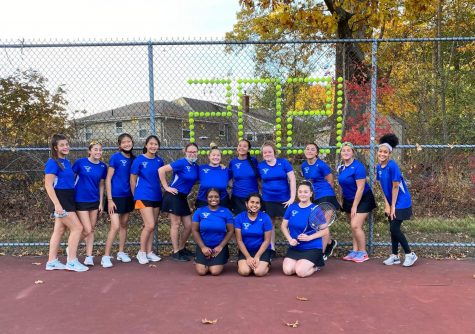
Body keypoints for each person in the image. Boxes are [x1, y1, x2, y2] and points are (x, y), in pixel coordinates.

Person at [44, 134, 88, 272]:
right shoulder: (52, 162)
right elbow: (48, 185)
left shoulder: (67, 162)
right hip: (61, 199)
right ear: (56, 147)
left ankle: (51, 261)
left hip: (69, 197)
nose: (65, 147)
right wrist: (57, 204)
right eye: (62, 145)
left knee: (59, 230)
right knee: (78, 228)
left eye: (67, 144)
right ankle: (72, 261)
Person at [377, 134, 418, 267]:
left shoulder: (393, 166)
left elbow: (395, 187)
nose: (382, 154)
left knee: (394, 228)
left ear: (389, 154)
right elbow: (382, 187)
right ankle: (394, 256)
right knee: (392, 228)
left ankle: (410, 254)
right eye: (380, 151)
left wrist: (393, 206)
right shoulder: (378, 167)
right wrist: (386, 205)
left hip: (402, 201)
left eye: (385, 152)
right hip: (391, 202)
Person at [159, 143, 199, 262]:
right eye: (190, 152)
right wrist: (166, 187)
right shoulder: (181, 162)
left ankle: (181, 248)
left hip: (182, 197)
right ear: (185, 152)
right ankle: (176, 251)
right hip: (173, 195)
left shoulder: (195, 166)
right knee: (176, 224)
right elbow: (161, 170)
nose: (192, 154)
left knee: (188, 225)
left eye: (194, 152)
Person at [337, 142, 376, 263]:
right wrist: (340, 198)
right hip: (348, 199)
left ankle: (363, 253)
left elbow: (360, 188)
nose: (346, 152)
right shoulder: (340, 167)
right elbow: (340, 184)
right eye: (343, 150)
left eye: (348, 150)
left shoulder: (358, 167)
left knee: (355, 225)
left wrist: (354, 206)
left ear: (353, 152)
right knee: (354, 226)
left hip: (363, 198)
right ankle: (355, 251)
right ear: (341, 153)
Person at [281, 182, 328, 277]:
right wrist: (290, 239)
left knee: (300, 272)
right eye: (300, 192)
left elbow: (325, 231)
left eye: (306, 192)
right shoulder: (292, 207)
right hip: (295, 247)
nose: (302, 194)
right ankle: (302, 263)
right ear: (297, 193)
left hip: (312, 247)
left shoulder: (316, 209)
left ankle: (316, 266)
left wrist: (309, 237)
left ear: (311, 194)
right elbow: (283, 226)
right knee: (288, 270)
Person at [101, 133, 135, 268]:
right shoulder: (115, 157)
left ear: (132, 143)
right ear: (120, 145)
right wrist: (109, 199)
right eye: (124, 142)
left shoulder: (134, 159)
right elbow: (108, 179)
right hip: (114, 197)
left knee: (124, 225)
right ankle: (106, 256)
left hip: (128, 197)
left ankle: (121, 252)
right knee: (115, 226)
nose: (127, 144)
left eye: (129, 141)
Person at [301, 143, 339, 260]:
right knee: (319, 225)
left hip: (326, 195)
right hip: (315, 196)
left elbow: (330, 181)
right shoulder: (304, 165)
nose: (310, 151)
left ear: (317, 153)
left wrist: (328, 195)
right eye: (307, 148)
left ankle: (320, 254)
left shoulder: (322, 165)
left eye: (313, 149)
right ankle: (330, 243)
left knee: (323, 226)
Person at [130, 135, 164, 265]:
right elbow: (132, 179)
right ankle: (142, 252)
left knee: (152, 226)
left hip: (156, 196)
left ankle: (149, 252)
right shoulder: (139, 160)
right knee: (149, 225)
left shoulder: (159, 161)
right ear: (146, 145)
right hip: (143, 195)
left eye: (156, 144)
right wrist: (135, 196)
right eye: (151, 144)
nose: (153, 146)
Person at [72, 141, 107, 266]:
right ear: (90, 151)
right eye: (95, 149)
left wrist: (101, 202)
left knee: (91, 230)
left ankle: (89, 256)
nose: (98, 152)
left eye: (100, 150)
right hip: (80, 200)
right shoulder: (80, 162)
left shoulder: (103, 167)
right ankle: (71, 247)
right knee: (86, 229)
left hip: (94, 200)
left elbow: (102, 184)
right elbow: (71, 178)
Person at [258, 141, 296, 252]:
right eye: (264, 152)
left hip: (285, 200)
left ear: (274, 152)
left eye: (269, 151)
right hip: (268, 200)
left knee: (290, 223)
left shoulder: (283, 162)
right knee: (270, 224)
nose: (267, 154)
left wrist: (292, 198)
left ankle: (293, 246)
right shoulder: (260, 166)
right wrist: (264, 191)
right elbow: (258, 181)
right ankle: (272, 248)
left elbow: (292, 179)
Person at [191, 188, 234, 276]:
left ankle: (217, 261)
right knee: (201, 272)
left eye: (216, 197)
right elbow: (195, 230)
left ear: (220, 198)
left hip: (219, 246)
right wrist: (203, 247)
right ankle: (203, 260)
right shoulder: (199, 211)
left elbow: (230, 231)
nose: (213, 199)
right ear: (206, 198)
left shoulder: (226, 212)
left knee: (215, 271)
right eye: (210, 197)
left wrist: (221, 246)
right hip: (203, 245)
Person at [234, 193, 272, 277]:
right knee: (245, 272)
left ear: (260, 205)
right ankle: (244, 264)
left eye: (257, 203)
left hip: (262, 251)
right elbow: (239, 240)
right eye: (252, 202)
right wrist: (248, 257)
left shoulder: (266, 218)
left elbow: (267, 240)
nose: (254, 205)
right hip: (246, 250)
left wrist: (257, 257)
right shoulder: (239, 218)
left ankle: (267, 264)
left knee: (258, 272)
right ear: (246, 203)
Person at [229, 139, 260, 215]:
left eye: (245, 146)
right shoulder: (233, 162)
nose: (241, 148)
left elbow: (259, 178)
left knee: (252, 220)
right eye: (240, 145)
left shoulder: (253, 161)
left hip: (252, 197)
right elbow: (230, 180)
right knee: (239, 221)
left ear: (248, 149)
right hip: (237, 197)